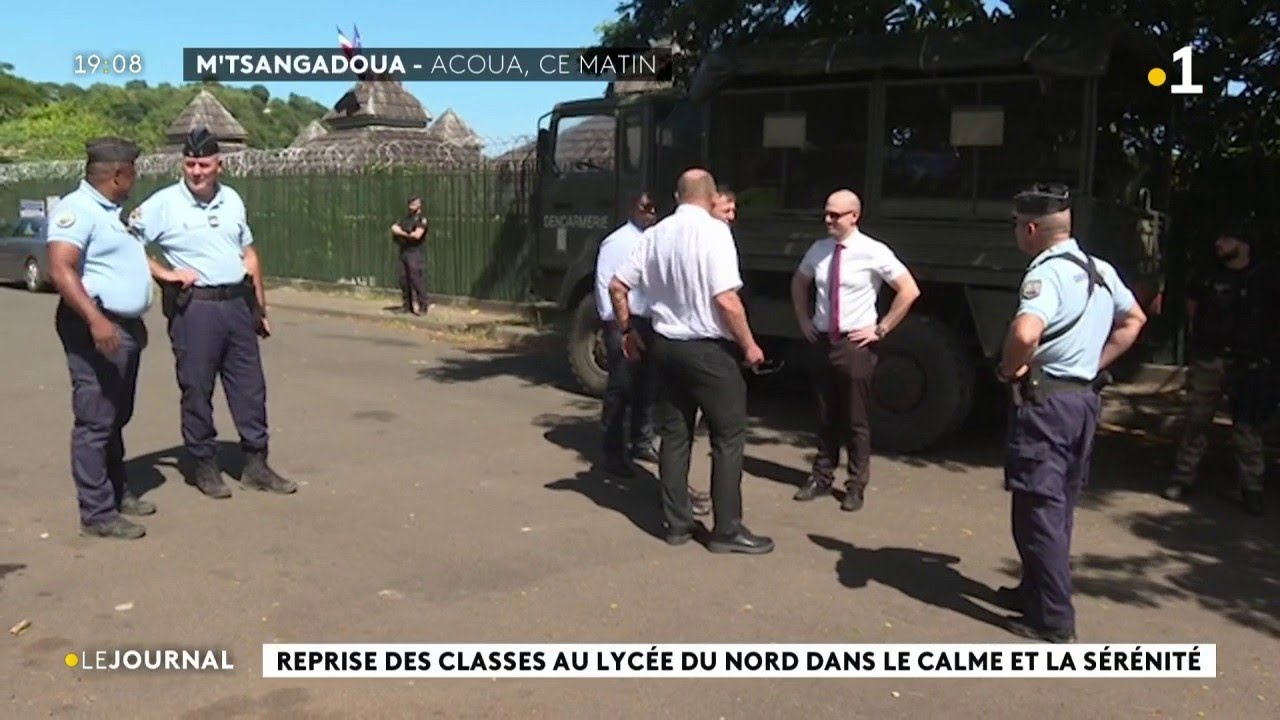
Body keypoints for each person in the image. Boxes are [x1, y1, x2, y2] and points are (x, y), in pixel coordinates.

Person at [995, 183, 1146, 642]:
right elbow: (1134, 318)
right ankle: (1033, 593)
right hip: (1082, 401)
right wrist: (1091, 366)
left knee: (1039, 511)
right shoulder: (1098, 269)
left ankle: (1055, 622)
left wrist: (1009, 367)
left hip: (1046, 405)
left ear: (1033, 229)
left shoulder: (1046, 274)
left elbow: (1025, 331)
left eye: (1020, 226)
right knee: (1056, 507)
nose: (1018, 234)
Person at [609, 169, 773, 554]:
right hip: (708, 351)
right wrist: (749, 345)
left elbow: (618, 286)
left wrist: (628, 331)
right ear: (712, 195)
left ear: (677, 195)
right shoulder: (716, 233)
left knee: (675, 434)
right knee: (728, 436)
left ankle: (677, 524)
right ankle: (727, 529)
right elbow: (726, 299)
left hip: (666, 346)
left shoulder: (654, 235)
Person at [129, 127, 296, 498]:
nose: (196, 172)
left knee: (250, 388)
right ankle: (203, 465)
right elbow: (126, 242)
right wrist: (166, 273)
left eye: (204, 164)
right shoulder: (164, 204)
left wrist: (260, 308)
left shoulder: (233, 200)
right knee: (197, 389)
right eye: (190, 164)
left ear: (219, 164)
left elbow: (249, 256)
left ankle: (256, 464)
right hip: (196, 310)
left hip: (237, 306)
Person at [46, 136, 154, 539]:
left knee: (116, 415)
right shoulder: (77, 211)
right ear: (118, 175)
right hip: (94, 325)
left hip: (121, 324)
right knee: (95, 419)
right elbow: (60, 269)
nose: (135, 179)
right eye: (133, 173)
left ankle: (117, 490)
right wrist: (97, 320)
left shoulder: (111, 211)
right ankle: (96, 513)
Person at [790, 190, 920, 511]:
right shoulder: (819, 250)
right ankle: (821, 476)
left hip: (854, 345)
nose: (828, 220)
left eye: (835, 215)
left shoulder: (872, 252)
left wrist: (881, 328)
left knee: (855, 419)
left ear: (854, 216)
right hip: (823, 341)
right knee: (824, 413)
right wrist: (803, 319)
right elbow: (799, 283)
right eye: (826, 213)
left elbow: (909, 289)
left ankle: (856, 484)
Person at [1163, 217, 1272, 515]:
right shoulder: (1208, 275)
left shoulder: (1264, 277)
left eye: (1225, 239)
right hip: (1209, 358)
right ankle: (1184, 477)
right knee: (1197, 418)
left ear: (1241, 243)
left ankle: (1252, 487)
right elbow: (1193, 308)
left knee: (1247, 427)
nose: (1218, 244)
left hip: (1246, 362)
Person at [594, 192, 661, 477]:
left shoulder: (653, 239)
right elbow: (605, 284)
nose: (651, 212)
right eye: (646, 207)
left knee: (646, 387)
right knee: (621, 388)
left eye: (655, 208)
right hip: (624, 321)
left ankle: (641, 441)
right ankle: (612, 452)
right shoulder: (619, 241)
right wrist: (618, 327)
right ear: (633, 208)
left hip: (647, 321)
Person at [391, 196, 430, 315]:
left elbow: (417, 235)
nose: (411, 205)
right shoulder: (405, 218)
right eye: (411, 203)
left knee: (416, 279)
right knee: (403, 279)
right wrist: (407, 233)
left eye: (415, 203)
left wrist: (402, 233)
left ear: (420, 205)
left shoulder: (421, 220)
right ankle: (407, 306)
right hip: (404, 250)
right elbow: (394, 228)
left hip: (414, 252)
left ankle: (423, 305)